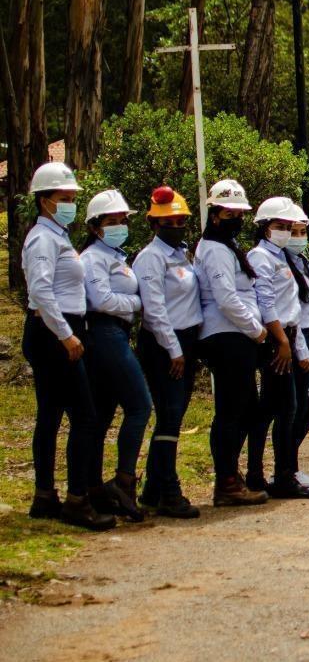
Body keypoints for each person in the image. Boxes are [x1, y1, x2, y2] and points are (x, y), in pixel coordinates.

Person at [22, 162, 114, 530]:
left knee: (50, 414)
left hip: (55, 329)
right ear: (44, 201)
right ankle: (77, 499)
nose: (70, 204)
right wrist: (66, 334)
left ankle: (45, 495)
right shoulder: (43, 239)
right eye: (64, 198)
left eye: (73, 198)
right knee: (85, 417)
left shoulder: (55, 235)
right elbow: (41, 291)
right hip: (54, 331)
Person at [196, 179, 270, 507]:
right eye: (230, 213)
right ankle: (226, 480)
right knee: (231, 409)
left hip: (237, 335)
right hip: (226, 336)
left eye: (240, 213)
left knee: (245, 408)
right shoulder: (213, 250)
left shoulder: (226, 246)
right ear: (214, 215)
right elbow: (226, 298)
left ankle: (231, 474)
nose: (236, 218)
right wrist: (257, 330)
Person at [80, 189, 152, 522]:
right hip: (104, 333)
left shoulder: (117, 257)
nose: (120, 225)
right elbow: (102, 301)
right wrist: (138, 305)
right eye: (112, 221)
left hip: (117, 332)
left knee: (102, 414)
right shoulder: (93, 258)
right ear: (96, 227)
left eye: (123, 220)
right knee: (140, 404)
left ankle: (94, 486)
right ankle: (124, 480)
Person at [134, 186, 202, 518]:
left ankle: (152, 490)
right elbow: (154, 309)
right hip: (164, 345)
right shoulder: (151, 257)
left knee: (171, 416)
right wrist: (174, 350)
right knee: (170, 415)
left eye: (179, 220)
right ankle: (169, 490)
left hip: (186, 343)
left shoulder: (181, 255)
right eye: (168, 222)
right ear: (153, 224)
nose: (175, 226)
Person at [245, 197, 309, 500]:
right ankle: (277, 475)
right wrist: (283, 342)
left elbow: (293, 307)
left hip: (287, 335)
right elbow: (266, 302)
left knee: (276, 409)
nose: (286, 231)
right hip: (276, 339)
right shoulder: (261, 257)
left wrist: (299, 347)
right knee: (282, 409)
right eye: (279, 226)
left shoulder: (283, 257)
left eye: (288, 227)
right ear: (264, 227)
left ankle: (264, 474)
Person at [283, 204, 309, 490]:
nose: (299, 237)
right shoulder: (280, 264)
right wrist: (300, 348)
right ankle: (285, 469)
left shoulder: (301, 262)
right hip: (298, 340)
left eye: (302, 231)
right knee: (295, 408)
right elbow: (289, 309)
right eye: (292, 232)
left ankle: (290, 467)